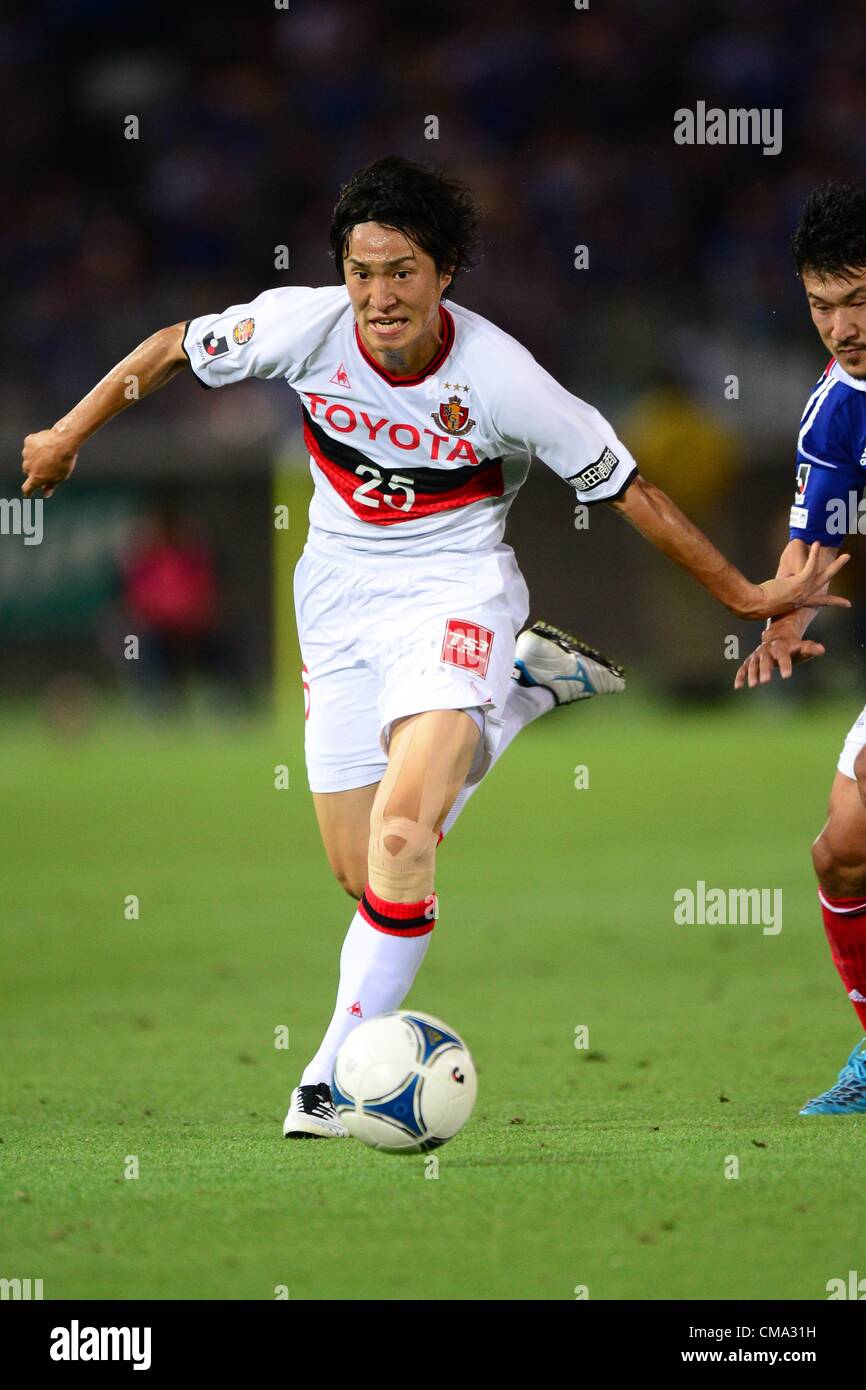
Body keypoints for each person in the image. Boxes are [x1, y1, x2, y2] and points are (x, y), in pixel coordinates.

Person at [22, 157, 848, 1139]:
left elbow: (634, 491)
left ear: (444, 270)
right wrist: (68, 431)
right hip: (336, 604)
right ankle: (523, 691)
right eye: (362, 271)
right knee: (360, 871)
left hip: (456, 594)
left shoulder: (499, 377)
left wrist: (745, 594)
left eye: (401, 271)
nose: (379, 295)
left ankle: (328, 1078)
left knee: (404, 842)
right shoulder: (303, 327)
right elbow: (167, 349)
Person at [735, 179, 866, 1115]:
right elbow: (813, 540)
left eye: (860, 298)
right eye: (823, 303)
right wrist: (786, 616)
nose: (842, 324)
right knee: (843, 854)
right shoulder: (837, 407)